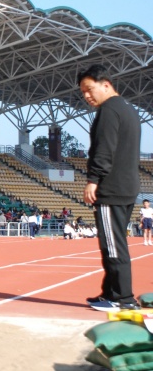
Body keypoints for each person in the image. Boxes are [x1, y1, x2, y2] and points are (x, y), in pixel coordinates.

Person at [79, 64, 141, 311]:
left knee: (113, 245)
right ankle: (110, 292)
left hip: (112, 188)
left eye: (89, 89)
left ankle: (123, 298)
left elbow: (104, 149)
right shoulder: (127, 109)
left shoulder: (108, 110)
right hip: (127, 186)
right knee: (114, 241)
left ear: (106, 85)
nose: (87, 96)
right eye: (83, 92)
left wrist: (93, 179)